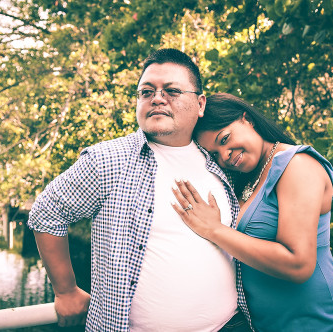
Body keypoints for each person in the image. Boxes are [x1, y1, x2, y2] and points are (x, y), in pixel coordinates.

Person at [28, 50, 252, 331]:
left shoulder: (222, 161)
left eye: (171, 90)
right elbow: (46, 213)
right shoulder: (108, 160)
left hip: (231, 325)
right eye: (146, 92)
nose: (157, 98)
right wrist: (66, 291)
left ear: (200, 103)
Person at [172, 92, 333, 332]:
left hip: (324, 321)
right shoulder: (249, 180)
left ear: (247, 119)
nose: (224, 156)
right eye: (214, 154)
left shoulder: (297, 165)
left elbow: (298, 263)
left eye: (224, 139)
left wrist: (214, 230)